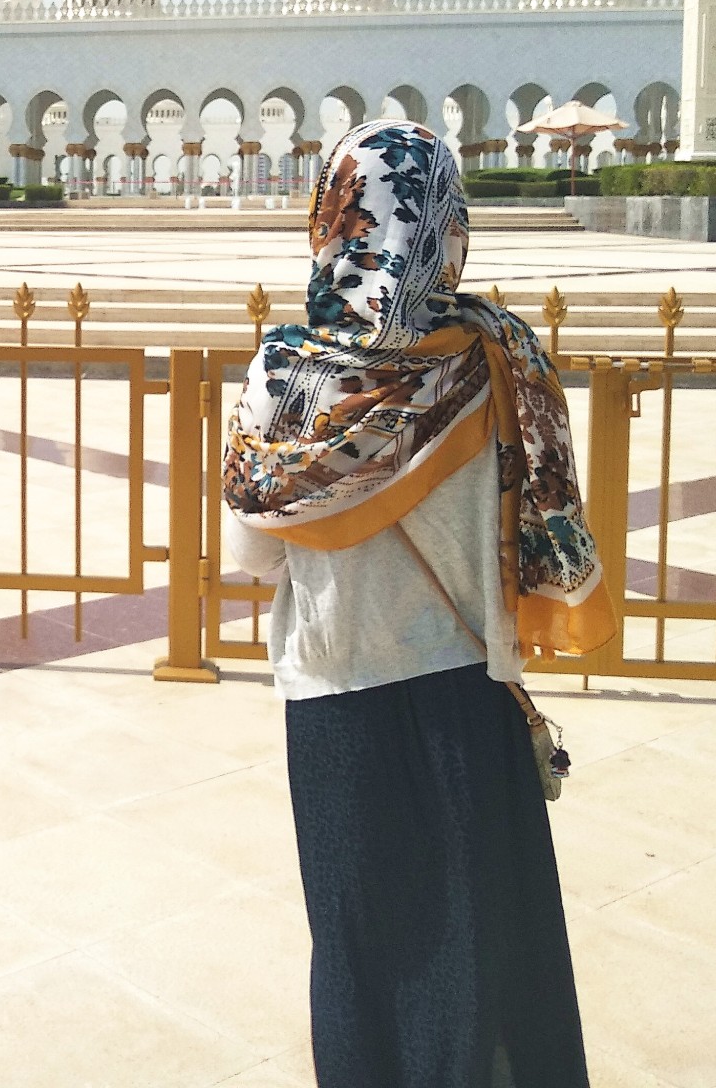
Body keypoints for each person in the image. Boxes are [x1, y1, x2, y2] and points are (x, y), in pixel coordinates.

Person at [222, 118, 614, 1088]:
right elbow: (549, 538)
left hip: (336, 703)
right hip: (472, 694)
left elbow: (252, 559)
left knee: (365, 953)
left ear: (332, 214)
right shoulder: (502, 360)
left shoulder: (285, 377)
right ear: (450, 221)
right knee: (484, 949)